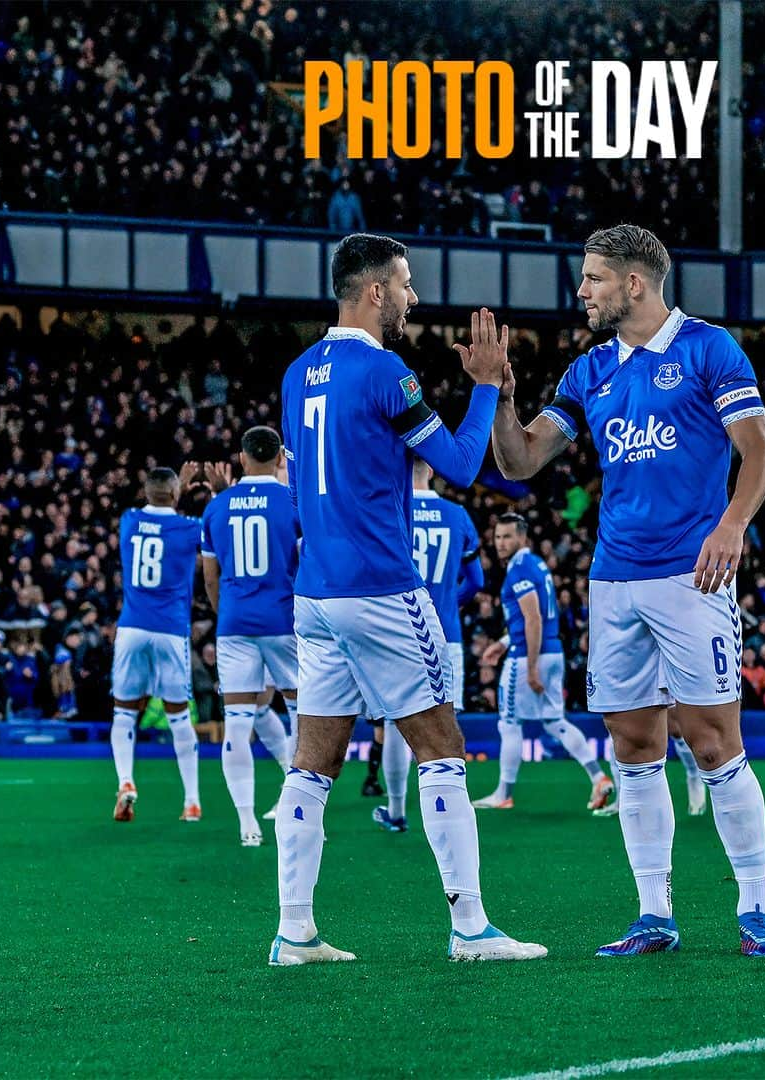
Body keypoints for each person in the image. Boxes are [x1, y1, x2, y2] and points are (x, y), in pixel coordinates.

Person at [490, 224, 765, 958]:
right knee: (632, 746)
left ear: (635, 283)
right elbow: (522, 460)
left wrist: (733, 524)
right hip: (614, 582)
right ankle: (654, 913)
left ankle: (756, 910)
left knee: (716, 744)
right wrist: (498, 397)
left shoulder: (709, 350)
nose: (581, 291)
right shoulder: (589, 372)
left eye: (592, 278)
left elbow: (760, 451)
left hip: (692, 576)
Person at [271, 233, 545, 965]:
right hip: (383, 589)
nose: (412, 298)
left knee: (313, 762)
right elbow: (456, 463)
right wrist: (487, 386)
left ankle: (294, 930)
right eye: (405, 284)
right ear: (373, 292)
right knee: (442, 747)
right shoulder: (386, 371)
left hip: (316, 593)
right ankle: (471, 928)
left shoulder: (299, 375)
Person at [372, 457, 485, 834]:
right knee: (444, 723)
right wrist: (449, 603)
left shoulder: (388, 508)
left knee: (393, 723)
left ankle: (396, 810)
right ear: (433, 470)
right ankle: (452, 810)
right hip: (444, 632)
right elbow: (476, 581)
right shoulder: (457, 515)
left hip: (395, 630)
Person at [200, 427, 301, 847]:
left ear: (242, 458)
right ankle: (299, 811)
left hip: (236, 624)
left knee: (238, 725)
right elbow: (307, 560)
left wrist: (227, 614)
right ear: (280, 457)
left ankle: (247, 823)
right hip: (284, 620)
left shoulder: (216, 507)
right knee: (303, 716)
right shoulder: (292, 501)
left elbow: (210, 576)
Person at [473, 512, 613, 811]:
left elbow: (533, 618)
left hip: (528, 656)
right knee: (554, 721)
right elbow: (538, 618)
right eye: (497, 537)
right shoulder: (537, 564)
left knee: (509, 724)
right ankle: (598, 776)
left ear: (522, 537)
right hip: (553, 650)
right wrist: (502, 642)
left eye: (507, 536)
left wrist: (531, 665)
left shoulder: (519, 569)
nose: (500, 542)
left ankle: (503, 794)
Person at [111, 466, 204, 823]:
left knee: (123, 712)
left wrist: (172, 487)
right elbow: (201, 530)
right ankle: (192, 801)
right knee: (179, 717)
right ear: (176, 493)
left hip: (132, 627)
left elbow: (157, 506)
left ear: (147, 491)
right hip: (170, 629)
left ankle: (126, 781)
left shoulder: (129, 520)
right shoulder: (187, 527)